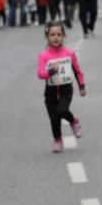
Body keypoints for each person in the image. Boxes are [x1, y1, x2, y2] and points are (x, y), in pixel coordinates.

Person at [36, 20, 85, 153]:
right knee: (54, 118)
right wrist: (51, 71)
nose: (56, 37)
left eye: (59, 34)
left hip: (65, 90)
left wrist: (82, 86)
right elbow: (40, 74)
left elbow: (77, 71)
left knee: (62, 110)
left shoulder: (69, 53)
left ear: (63, 36)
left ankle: (73, 121)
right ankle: (58, 140)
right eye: (52, 35)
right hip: (50, 92)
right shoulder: (44, 56)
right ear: (47, 37)